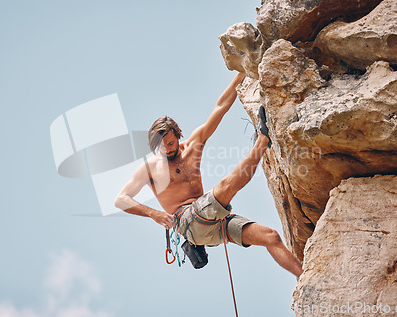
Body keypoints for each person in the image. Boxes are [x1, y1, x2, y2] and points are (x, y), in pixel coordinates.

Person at [115, 72, 303, 277]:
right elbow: (121, 199)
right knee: (224, 187)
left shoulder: (194, 145)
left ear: (178, 135)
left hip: (212, 221)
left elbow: (220, 107)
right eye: (161, 146)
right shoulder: (150, 168)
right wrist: (154, 214)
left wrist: (241, 73)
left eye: (170, 143)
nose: (166, 149)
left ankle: (304, 278)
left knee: (270, 236)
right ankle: (263, 141)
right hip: (187, 222)